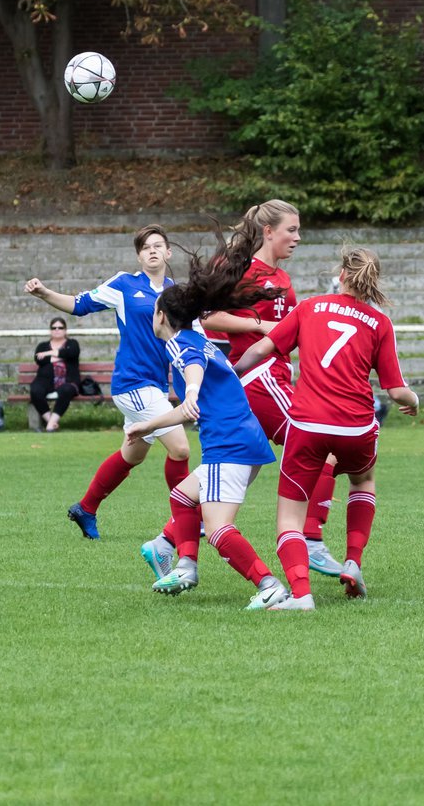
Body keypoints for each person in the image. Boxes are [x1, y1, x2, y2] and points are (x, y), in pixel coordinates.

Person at [141, 201, 344, 582]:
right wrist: (264, 326)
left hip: (275, 376)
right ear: (268, 232)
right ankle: (311, 539)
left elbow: (292, 327)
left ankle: (167, 543)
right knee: (324, 449)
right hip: (259, 377)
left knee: (221, 480)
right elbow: (210, 317)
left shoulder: (282, 278)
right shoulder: (246, 270)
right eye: (291, 230)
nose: (298, 238)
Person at [233, 247, 419, 610]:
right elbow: (396, 390)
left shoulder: (310, 307)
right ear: (372, 281)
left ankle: (301, 595)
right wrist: (413, 402)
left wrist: (230, 372)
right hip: (357, 427)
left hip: (308, 423)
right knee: (363, 480)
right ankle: (353, 561)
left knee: (289, 515)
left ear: (342, 275)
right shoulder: (379, 323)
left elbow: (261, 351)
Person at [126, 221, 290, 610]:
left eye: (154, 310)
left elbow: (192, 383)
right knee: (183, 496)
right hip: (243, 440)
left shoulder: (184, 346)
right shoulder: (194, 337)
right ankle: (185, 566)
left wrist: (152, 420)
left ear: (162, 317)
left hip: (228, 444)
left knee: (218, 530)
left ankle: (270, 588)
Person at [24, 225, 191, 540]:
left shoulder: (177, 293)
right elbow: (79, 304)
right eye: (145, 247)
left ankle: (86, 508)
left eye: (158, 246)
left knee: (133, 455)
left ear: (169, 252)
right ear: (139, 255)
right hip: (133, 383)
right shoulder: (125, 284)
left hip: (154, 385)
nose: (152, 250)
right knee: (180, 449)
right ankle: (186, 520)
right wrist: (44, 292)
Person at [31, 317, 81, 432]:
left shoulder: (72, 343)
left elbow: (72, 353)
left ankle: (49, 426)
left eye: (60, 327)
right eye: (54, 328)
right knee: (35, 390)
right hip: (46, 380)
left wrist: (49, 354)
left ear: (65, 330)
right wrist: (61, 357)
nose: (57, 330)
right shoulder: (42, 346)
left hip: (68, 381)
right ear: (50, 330)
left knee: (66, 390)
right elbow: (39, 360)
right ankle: (51, 422)